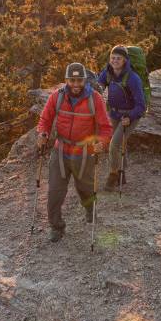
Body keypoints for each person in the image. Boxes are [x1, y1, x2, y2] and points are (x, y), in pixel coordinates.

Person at [37, 62, 113, 242]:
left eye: (79, 80)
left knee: (85, 189)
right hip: (60, 151)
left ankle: (90, 209)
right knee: (55, 192)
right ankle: (56, 227)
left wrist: (101, 143)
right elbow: (45, 119)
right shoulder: (57, 97)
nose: (76, 84)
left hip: (84, 153)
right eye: (72, 80)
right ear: (66, 80)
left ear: (84, 80)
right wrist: (42, 133)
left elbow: (105, 128)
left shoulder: (95, 99)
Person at [97, 45, 146, 191]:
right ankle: (122, 173)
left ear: (125, 60)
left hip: (130, 116)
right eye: (113, 57)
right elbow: (98, 85)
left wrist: (130, 117)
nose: (115, 60)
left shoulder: (133, 78)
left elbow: (141, 106)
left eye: (118, 58)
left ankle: (113, 175)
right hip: (115, 114)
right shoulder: (107, 72)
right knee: (120, 144)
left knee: (114, 145)